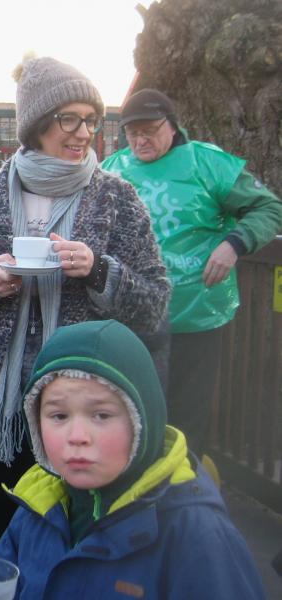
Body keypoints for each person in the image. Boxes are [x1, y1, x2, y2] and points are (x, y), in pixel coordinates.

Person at [0, 57, 171, 541]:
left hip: (85, 412)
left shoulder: (116, 199)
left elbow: (155, 304)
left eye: (91, 119)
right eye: (70, 118)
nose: (84, 132)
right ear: (38, 125)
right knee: (13, 537)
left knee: (80, 543)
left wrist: (98, 270)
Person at [0, 319, 265, 599]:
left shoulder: (197, 536)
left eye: (101, 415)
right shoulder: (39, 505)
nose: (78, 436)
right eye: (59, 416)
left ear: (142, 420)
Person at [102, 88, 282, 454]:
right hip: (134, 319)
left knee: (186, 420)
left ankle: (183, 496)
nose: (140, 139)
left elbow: (269, 208)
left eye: (150, 129)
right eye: (132, 132)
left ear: (172, 125)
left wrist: (234, 243)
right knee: (132, 412)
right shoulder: (112, 169)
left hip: (196, 315)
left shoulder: (208, 164)